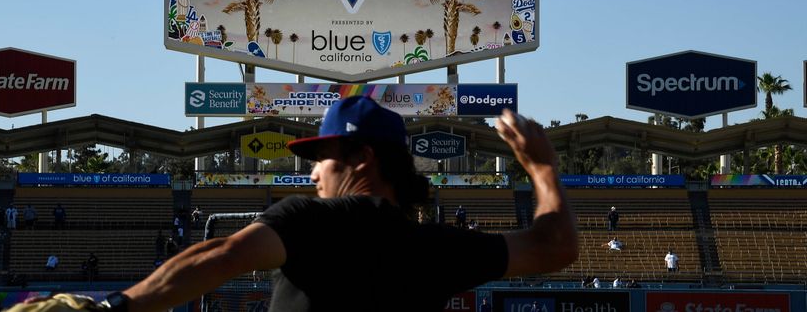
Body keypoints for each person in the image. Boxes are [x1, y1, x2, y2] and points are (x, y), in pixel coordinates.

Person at [45, 98, 577, 312]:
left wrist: (113, 307)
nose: (313, 171)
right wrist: (541, 169)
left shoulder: (314, 220)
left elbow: (220, 257)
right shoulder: (438, 246)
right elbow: (554, 247)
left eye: (323, 156)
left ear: (362, 158)